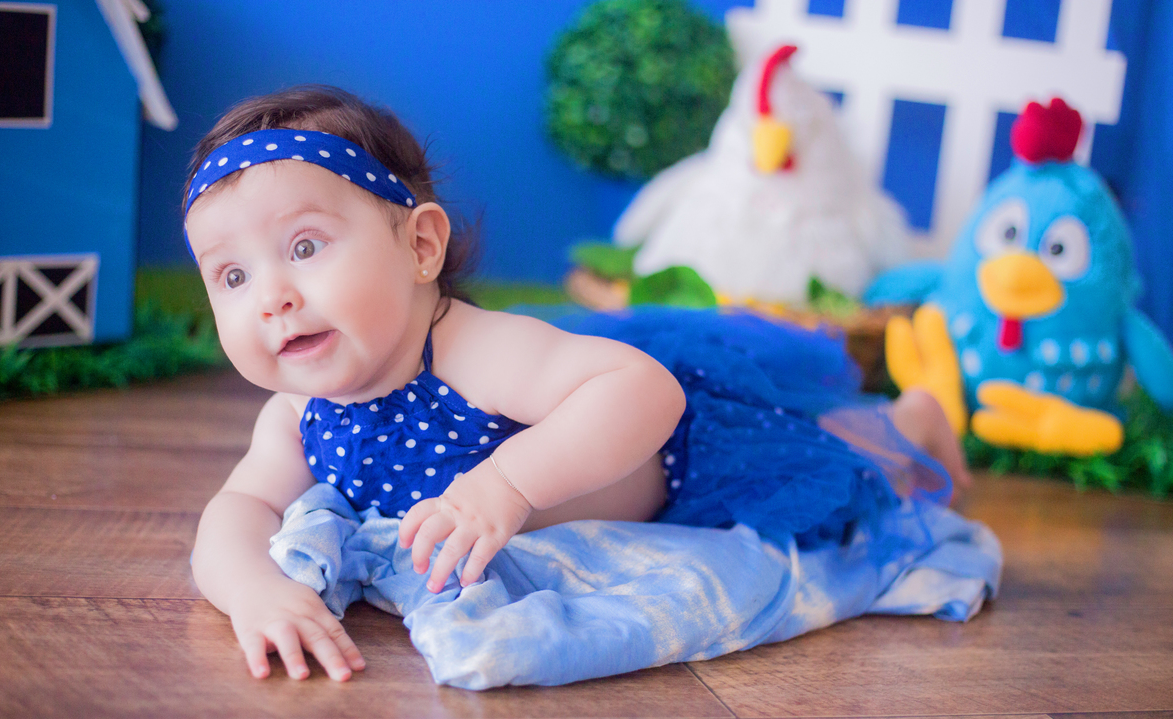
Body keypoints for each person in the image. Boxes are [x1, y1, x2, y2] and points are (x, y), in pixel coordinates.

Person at [186, 86, 971, 685]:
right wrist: (253, 591)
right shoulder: (298, 413)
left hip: (686, 464)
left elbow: (646, 394)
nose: (271, 296)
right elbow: (240, 509)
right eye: (231, 274)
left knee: (842, 470)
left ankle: (915, 417)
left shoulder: (473, 352)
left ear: (421, 245)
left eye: (306, 245)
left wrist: (506, 482)